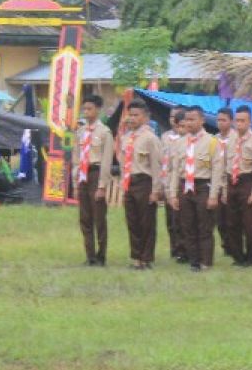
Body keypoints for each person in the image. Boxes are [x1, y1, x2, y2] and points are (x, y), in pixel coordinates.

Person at [167, 106, 224, 272]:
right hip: (185, 186)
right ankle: (194, 261)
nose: (189, 123)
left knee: (204, 226)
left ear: (202, 120)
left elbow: (217, 170)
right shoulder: (179, 143)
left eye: (193, 119)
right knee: (187, 225)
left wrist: (213, 195)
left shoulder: (212, 142)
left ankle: (205, 261)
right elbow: (175, 170)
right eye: (187, 119)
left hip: (203, 186)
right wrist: (173, 194)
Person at [117, 99, 164, 270]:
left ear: (145, 117)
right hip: (130, 181)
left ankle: (146, 258)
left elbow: (157, 166)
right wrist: (124, 184)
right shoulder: (126, 137)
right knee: (132, 221)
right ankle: (136, 257)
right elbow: (123, 162)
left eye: (136, 115)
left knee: (147, 222)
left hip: (145, 182)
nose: (132, 118)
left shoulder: (150, 138)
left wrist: (156, 190)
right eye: (130, 115)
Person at [74, 95, 115, 267]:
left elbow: (106, 161)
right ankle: (89, 255)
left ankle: (101, 255)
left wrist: (102, 185)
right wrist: (75, 181)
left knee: (99, 218)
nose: (86, 112)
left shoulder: (105, 132)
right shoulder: (81, 132)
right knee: (85, 217)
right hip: (83, 174)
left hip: (96, 173)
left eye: (90, 109)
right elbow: (76, 157)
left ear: (98, 109)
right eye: (85, 109)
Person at [223, 105, 252, 267]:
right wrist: (225, 189)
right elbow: (226, 164)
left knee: (249, 224)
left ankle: (250, 257)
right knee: (232, 223)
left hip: (247, 182)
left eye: (243, 121)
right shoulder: (231, 141)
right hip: (232, 181)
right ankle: (238, 256)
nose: (239, 124)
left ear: (249, 122)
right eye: (237, 120)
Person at [160, 106, 188, 263]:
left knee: (182, 218)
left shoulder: (188, 140)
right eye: (171, 117)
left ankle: (184, 249)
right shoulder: (165, 137)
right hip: (168, 179)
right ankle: (175, 248)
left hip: (182, 181)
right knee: (171, 219)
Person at [214, 107, 238, 260]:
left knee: (231, 218)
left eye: (224, 120)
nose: (220, 123)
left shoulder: (236, 139)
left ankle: (233, 246)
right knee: (219, 218)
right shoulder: (214, 139)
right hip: (217, 181)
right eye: (218, 120)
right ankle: (225, 244)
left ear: (231, 121)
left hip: (232, 180)